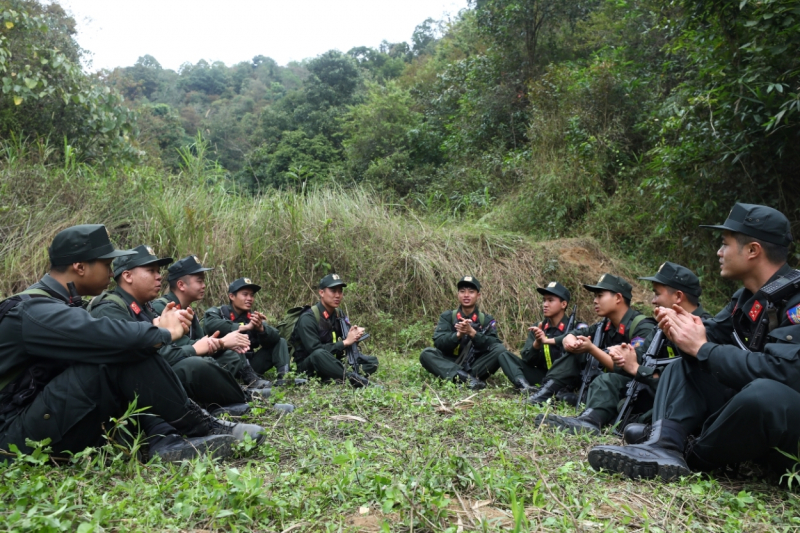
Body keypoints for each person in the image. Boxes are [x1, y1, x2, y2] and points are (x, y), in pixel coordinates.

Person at [0, 225, 263, 463]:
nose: (111, 270)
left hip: (39, 418)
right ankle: (198, 426)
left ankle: (180, 429)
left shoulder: (57, 303)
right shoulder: (34, 310)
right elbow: (107, 335)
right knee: (124, 352)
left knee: (127, 350)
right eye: (106, 263)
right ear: (80, 267)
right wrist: (162, 332)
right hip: (15, 438)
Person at [589, 203, 800, 481]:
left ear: (753, 250)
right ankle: (664, 443)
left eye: (725, 244)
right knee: (684, 364)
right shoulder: (747, 298)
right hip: (760, 423)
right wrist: (681, 328)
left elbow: (785, 373)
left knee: (762, 395)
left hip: (787, 423)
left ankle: (690, 456)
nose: (719, 252)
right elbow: (708, 336)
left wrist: (703, 348)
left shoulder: (795, 299)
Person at [88, 246, 251, 417]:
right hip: (128, 395)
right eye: (151, 271)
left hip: (149, 382)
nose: (159, 277)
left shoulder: (145, 308)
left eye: (158, 271)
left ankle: (225, 402)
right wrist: (195, 348)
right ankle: (236, 400)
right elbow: (147, 358)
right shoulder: (111, 308)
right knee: (194, 367)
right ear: (128, 276)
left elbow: (167, 348)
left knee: (210, 360)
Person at [530, 274, 656, 433]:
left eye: (600, 296)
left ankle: (589, 421)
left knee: (606, 378)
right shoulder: (604, 325)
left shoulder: (642, 327)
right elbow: (575, 333)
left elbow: (630, 367)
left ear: (618, 298)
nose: (595, 301)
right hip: (602, 383)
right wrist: (570, 340)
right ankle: (544, 393)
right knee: (577, 349)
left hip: (632, 388)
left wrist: (592, 349)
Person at [151, 256, 271, 394]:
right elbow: (183, 346)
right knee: (206, 361)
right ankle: (234, 390)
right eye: (199, 281)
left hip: (189, 358)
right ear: (181, 285)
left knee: (230, 354)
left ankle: (247, 381)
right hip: (175, 365)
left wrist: (222, 344)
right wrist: (221, 342)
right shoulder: (164, 308)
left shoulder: (188, 309)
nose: (204, 286)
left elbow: (200, 342)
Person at [203, 277, 305, 386]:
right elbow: (210, 325)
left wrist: (261, 329)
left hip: (250, 366)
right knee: (236, 343)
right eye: (245, 294)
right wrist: (245, 327)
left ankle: (285, 378)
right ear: (232, 296)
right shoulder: (217, 312)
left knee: (280, 341)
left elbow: (275, 336)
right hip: (226, 365)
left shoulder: (251, 317)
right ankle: (251, 381)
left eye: (251, 295)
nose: (249, 298)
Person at [289, 274, 379, 387]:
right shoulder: (308, 318)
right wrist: (345, 343)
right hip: (309, 365)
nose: (337, 295)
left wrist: (354, 335)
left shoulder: (338, 314)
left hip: (333, 361)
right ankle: (356, 380)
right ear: (321, 292)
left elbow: (348, 337)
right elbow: (315, 351)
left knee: (372, 362)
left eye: (340, 291)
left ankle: (337, 376)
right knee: (319, 354)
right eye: (333, 291)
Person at [419, 276, 508, 390]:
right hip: (450, 362)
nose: (466, 295)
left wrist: (473, 333)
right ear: (458, 294)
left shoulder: (486, 319)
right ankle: (467, 380)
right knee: (426, 353)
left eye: (471, 292)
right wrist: (457, 335)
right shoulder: (447, 317)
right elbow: (439, 342)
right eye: (462, 291)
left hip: (474, 366)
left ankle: (461, 380)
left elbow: (494, 343)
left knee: (500, 350)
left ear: (478, 295)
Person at [498, 281, 574, 392]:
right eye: (544, 300)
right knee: (504, 355)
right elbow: (527, 360)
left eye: (550, 300)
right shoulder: (539, 327)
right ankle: (524, 387)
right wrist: (537, 344)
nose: (545, 304)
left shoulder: (575, 328)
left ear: (563, 304)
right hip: (543, 376)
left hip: (566, 381)